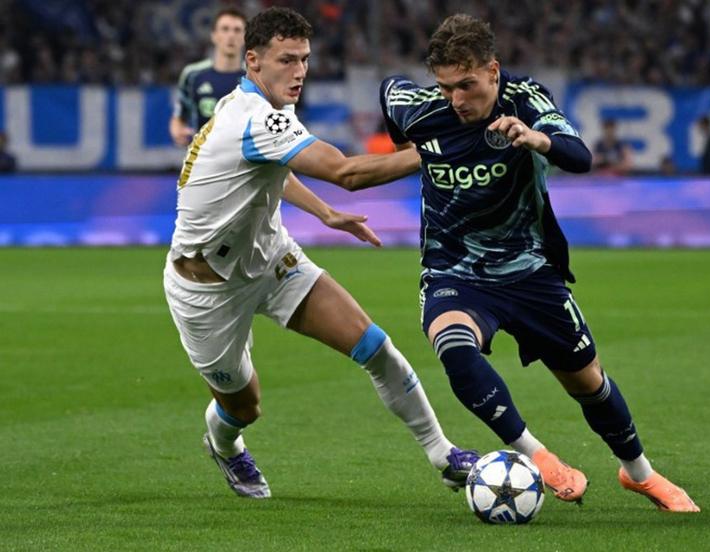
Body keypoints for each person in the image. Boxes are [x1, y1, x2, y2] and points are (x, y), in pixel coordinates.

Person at [378, 13, 699, 512]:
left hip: (529, 271)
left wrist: (536, 139)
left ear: (493, 70)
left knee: (588, 383)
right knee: (453, 347)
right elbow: (389, 91)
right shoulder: (419, 109)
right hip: (454, 272)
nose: (456, 100)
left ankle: (639, 473)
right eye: (446, 88)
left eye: (467, 85)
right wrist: (409, 148)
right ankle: (538, 456)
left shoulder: (525, 99)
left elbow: (580, 155)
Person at [163, 7, 478, 499]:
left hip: (269, 259)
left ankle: (443, 454)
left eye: (305, 59)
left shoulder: (267, 107)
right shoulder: (252, 117)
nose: (300, 72)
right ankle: (224, 446)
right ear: (253, 61)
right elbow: (347, 172)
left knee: (374, 346)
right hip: (207, 291)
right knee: (245, 407)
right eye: (287, 60)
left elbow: (273, 171)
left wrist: (323, 213)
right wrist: (438, 149)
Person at [169, 8, 247, 146]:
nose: (231, 35)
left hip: (245, 161)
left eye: (237, 30)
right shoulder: (193, 74)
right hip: (204, 160)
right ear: (214, 35)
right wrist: (178, 131)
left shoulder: (255, 76)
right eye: (225, 29)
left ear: (245, 37)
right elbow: (179, 116)